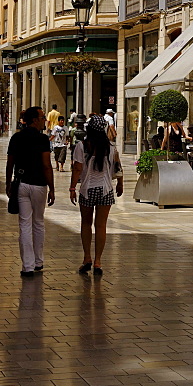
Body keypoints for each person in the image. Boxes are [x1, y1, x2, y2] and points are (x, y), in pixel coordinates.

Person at [70, 115, 123, 275]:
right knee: (101, 226)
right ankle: (98, 261)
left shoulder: (82, 146)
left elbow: (77, 169)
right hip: (106, 190)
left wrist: (72, 188)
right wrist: (120, 184)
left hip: (87, 190)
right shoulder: (111, 147)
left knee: (86, 224)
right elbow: (118, 167)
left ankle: (87, 258)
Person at [5, 106, 55, 277]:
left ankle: (27, 265)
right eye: (42, 117)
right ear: (34, 120)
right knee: (38, 222)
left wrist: (7, 183)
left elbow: (10, 162)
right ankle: (38, 261)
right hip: (39, 184)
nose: (44, 121)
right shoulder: (42, 139)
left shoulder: (16, 138)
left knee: (24, 224)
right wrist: (52, 188)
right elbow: (46, 165)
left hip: (21, 183)